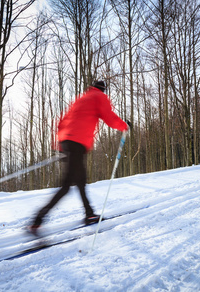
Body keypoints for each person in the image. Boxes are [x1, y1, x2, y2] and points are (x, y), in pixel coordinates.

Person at [27, 80, 129, 236]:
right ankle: (38, 219)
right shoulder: (99, 97)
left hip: (68, 141)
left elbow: (62, 121)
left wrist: (61, 145)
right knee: (67, 185)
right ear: (103, 89)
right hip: (78, 142)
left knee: (79, 181)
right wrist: (124, 125)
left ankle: (88, 214)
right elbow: (108, 116)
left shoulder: (81, 98)